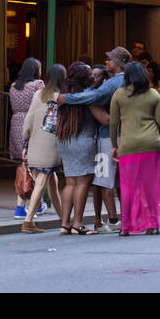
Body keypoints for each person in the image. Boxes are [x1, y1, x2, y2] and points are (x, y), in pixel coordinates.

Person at [57, 47, 131, 233]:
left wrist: (66, 98)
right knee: (89, 181)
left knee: (76, 182)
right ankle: (79, 224)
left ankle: (67, 224)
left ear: (117, 63)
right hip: (95, 138)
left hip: (77, 139)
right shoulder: (128, 82)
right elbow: (101, 111)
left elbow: (95, 97)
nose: (106, 62)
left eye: (109, 60)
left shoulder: (109, 84)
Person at [109, 61, 160, 236]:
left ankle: (126, 227)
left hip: (128, 146)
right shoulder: (153, 94)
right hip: (151, 144)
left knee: (128, 187)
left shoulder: (119, 95)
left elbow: (113, 123)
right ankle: (153, 224)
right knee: (150, 186)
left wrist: (115, 145)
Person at [55, 62, 100, 234]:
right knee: (83, 181)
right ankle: (78, 223)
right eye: (90, 74)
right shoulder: (88, 96)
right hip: (83, 140)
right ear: (84, 78)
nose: (93, 76)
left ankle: (65, 223)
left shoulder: (63, 94)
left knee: (70, 182)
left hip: (65, 140)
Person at [20, 64, 65, 233]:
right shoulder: (60, 96)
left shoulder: (38, 94)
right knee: (42, 182)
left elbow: (28, 120)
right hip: (50, 147)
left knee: (52, 183)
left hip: (35, 145)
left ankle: (64, 218)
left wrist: (25, 143)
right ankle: (28, 220)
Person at [8, 58, 47, 220]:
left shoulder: (13, 87)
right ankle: (35, 204)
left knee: (24, 165)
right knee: (36, 166)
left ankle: (30, 205)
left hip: (16, 123)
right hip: (32, 124)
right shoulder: (38, 85)